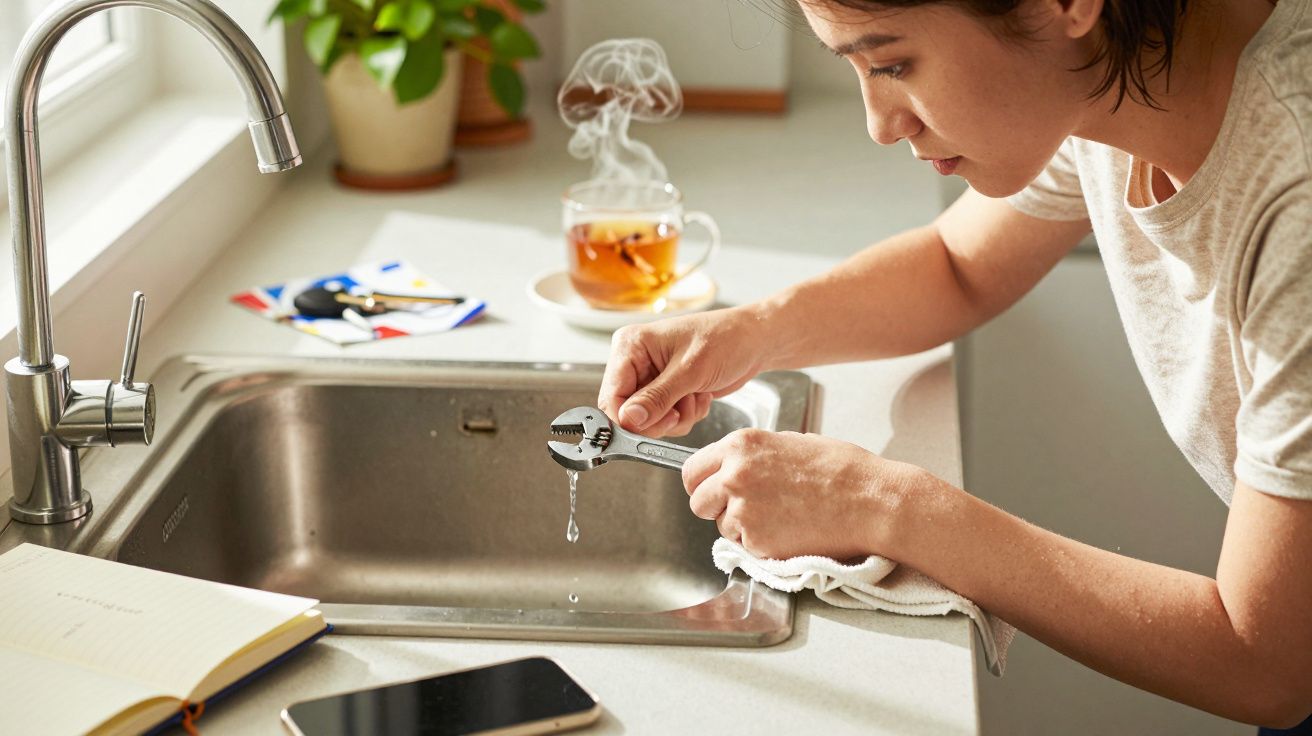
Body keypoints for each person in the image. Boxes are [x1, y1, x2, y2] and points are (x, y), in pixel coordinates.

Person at [596, 0, 1312, 730]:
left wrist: (882, 504)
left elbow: (1266, 663)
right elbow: (958, 266)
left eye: (894, 64)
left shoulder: (1296, 190)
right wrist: (745, 333)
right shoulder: (1111, 72)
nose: (879, 124)